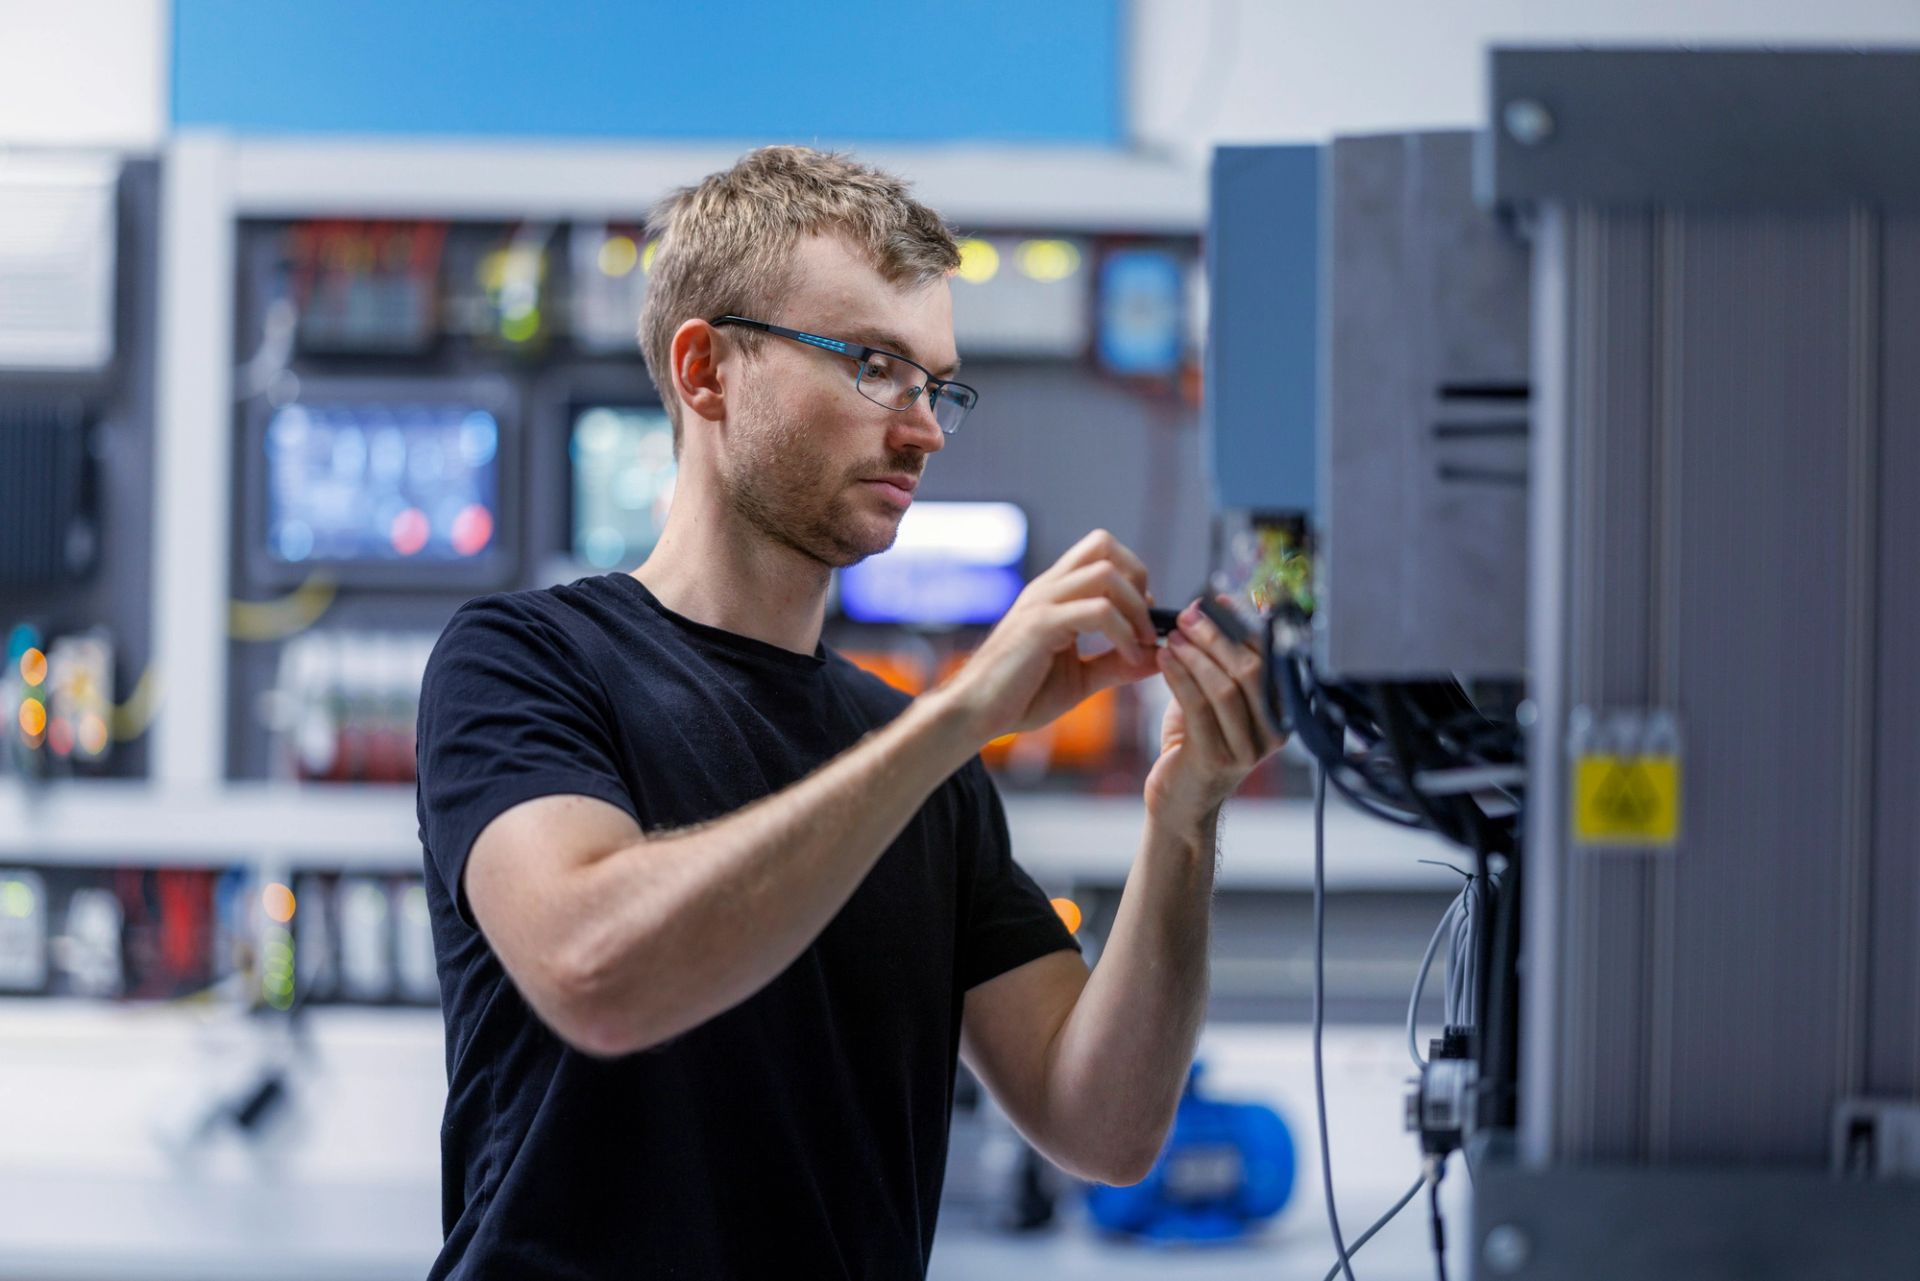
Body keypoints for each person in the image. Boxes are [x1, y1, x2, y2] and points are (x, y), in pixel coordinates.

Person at [415, 145, 1283, 1279]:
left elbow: (1105, 1125)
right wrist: (957, 716)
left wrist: (1185, 820)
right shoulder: (524, 663)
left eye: (936, 385)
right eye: (874, 365)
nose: (921, 429)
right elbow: (597, 971)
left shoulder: (921, 763)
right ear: (707, 370)